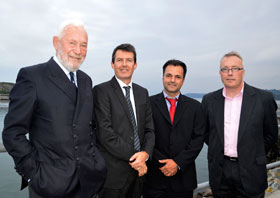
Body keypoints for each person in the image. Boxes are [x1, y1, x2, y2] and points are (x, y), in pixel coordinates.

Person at [2, 20, 106, 198]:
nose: (79, 51)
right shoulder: (32, 77)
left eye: (84, 45)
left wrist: (96, 161)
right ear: (56, 42)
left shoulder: (86, 80)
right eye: (72, 43)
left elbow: (89, 127)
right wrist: (33, 174)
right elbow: (13, 133)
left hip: (89, 183)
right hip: (50, 186)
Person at [201, 51, 278, 198]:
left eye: (235, 68)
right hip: (220, 171)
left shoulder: (263, 99)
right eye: (225, 69)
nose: (230, 73)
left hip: (252, 170)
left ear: (243, 72)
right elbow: (206, 133)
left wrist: (252, 152)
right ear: (220, 73)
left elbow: (271, 134)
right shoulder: (209, 100)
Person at [93, 43, 155, 198]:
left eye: (129, 60)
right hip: (113, 176)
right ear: (112, 64)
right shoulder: (101, 91)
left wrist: (145, 154)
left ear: (135, 65)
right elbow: (105, 134)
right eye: (119, 60)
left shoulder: (142, 92)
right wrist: (138, 157)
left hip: (139, 176)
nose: (124, 64)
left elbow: (149, 130)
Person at [142, 59, 205, 198]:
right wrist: (163, 163)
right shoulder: (147, 103)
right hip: (154, 178)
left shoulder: (195, 107)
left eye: (177, 76)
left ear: (183, 80)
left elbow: (198, 139)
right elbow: (144, 135)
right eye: (169, 75)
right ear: (163, 77)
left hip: (184, 179)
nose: (172, 80)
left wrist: (177, 163)